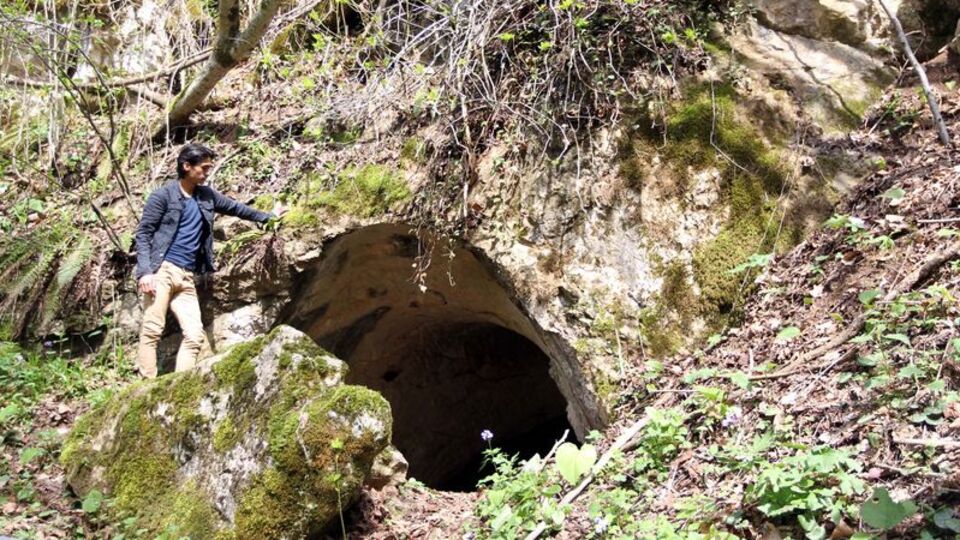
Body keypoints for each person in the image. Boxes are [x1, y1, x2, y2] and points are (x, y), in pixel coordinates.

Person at [134, 143, 283, 378]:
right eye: (203, 168)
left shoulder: (206, 196)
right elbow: (143, 234)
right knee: (152, 329)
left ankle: (178, 387)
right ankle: (147, 385)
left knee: (195, 335)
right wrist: (145, 272)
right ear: (187, 166)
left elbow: (237, 209)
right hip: (162, 271)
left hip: (186, 276)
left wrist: (269, 218)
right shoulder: (163, 196)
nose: (206, 172)